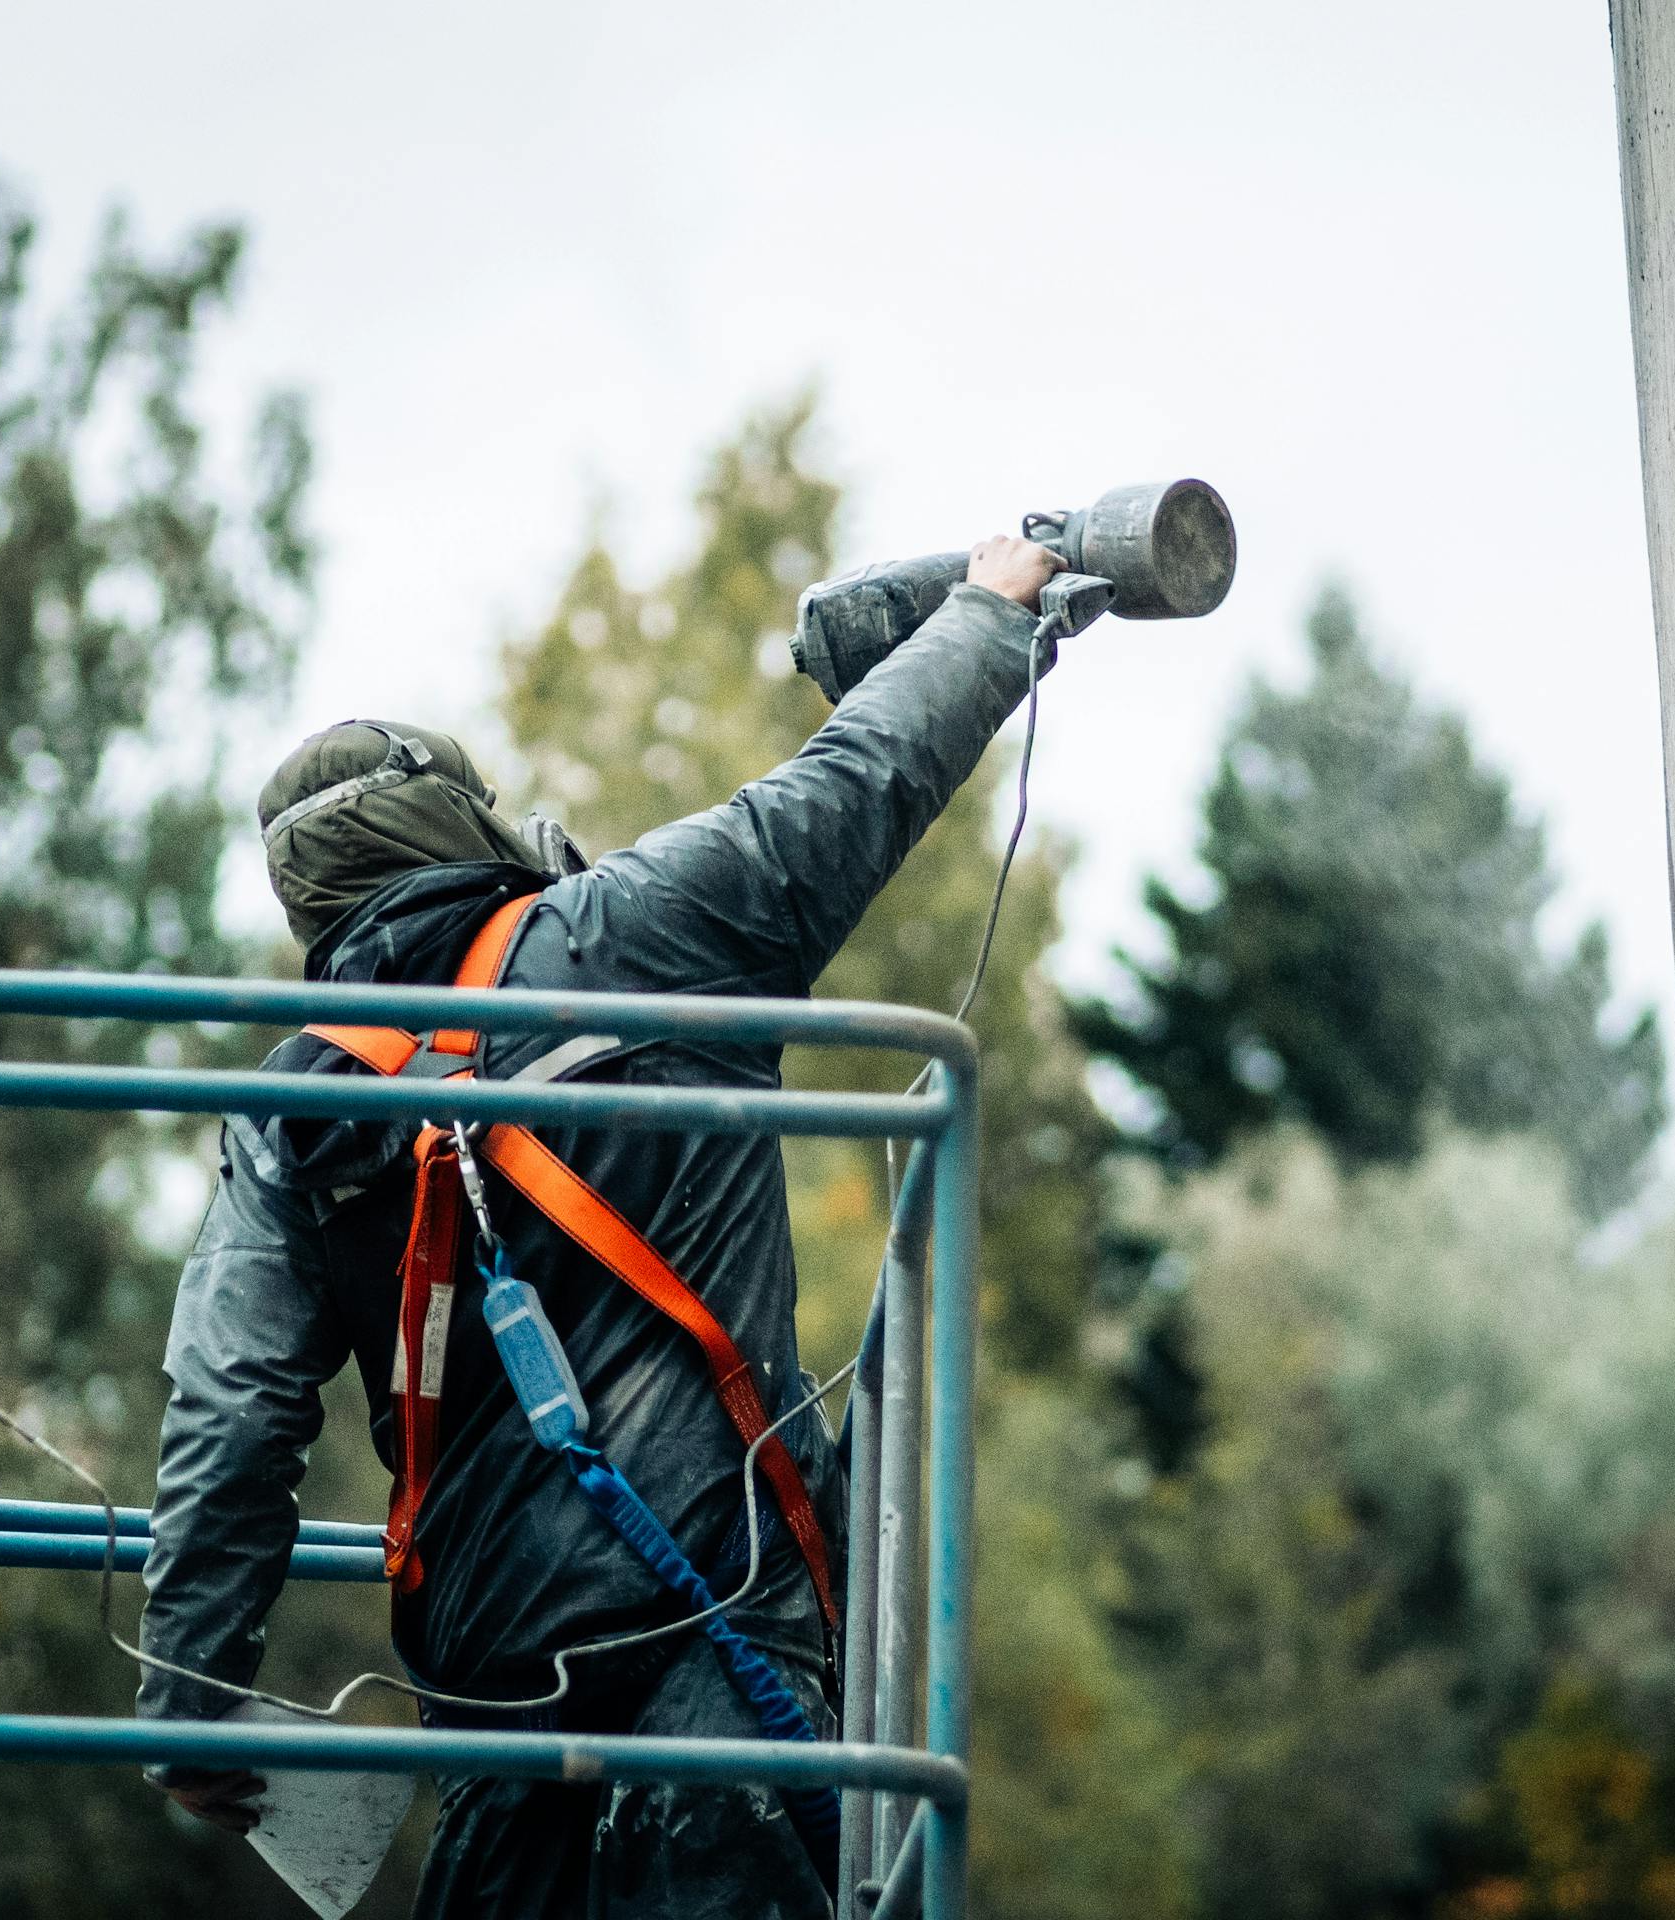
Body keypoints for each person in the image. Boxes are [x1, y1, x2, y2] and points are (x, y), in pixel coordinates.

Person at [138, 533, 1066, 1918]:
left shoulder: (291, 1104)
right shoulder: (638, 934)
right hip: (719, 1666)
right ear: (465, 824)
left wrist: (191, 1691)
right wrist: (991, 616)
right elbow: (850, 783)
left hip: (491, 1688)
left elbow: (230, 1404)